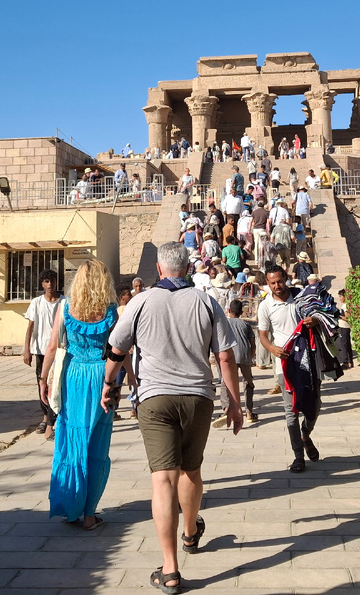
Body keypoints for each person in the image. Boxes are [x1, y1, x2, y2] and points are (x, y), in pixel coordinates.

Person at [104, 242, 242, 594]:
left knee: (163, 479)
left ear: (159, 269)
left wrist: (108, 385)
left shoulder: (141, 301)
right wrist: (235, 403)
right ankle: (191, 533)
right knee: (191, 471)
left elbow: (117, 349)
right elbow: (225, 357)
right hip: (197, 397)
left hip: (155, 399)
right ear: (187, 268)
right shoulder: (206, 302)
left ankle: (170, 569)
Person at [38, 259, 118, 531]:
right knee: (97, 444)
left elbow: (52, 346)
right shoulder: (110, 311)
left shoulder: (66, 307)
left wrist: (43, 379)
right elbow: (119, 348)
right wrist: (131, 381)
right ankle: (89, 514)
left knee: (72, 440)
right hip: (102, 376)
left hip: (72, 375)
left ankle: (71, 508)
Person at [258, 266, 318, 473]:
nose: (277, 286)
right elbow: (263, 336)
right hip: (284, 364)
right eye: (272, 283)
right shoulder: (265, 306)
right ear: (268, 284)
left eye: (279, 281)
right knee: (291, 411)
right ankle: (298, 456)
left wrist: (314, 321)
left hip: (308, 360)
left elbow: (319, 315)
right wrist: (273, 349)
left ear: (286, 278)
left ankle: (305, 434)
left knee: (314, 407)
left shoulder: (301, 297)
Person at [24, 269, 64, 438]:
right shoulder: (36, 302)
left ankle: (56, 418)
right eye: (46, 281)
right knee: (43, 383)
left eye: (52, 281)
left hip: (60, 350)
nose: (50, 284)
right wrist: (26, 349)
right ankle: (46, 417)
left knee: (58, 384)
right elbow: (30, 327)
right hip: (41, 350)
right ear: (42, 284)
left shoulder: (64, 302)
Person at [214, 298, 257, 426]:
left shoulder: (224, 323)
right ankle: (249, 412)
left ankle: (226, 409)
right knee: (248, 383)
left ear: (229, 310)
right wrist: (250, 357)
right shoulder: (246, 325)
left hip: (229, 355)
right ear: (241, 312)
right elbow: (253, 344)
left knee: (225, 383)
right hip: (244, 355)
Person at [335, 288, 354, 369]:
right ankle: (350, 361)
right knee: (347, 344)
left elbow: (347, 318)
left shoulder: (345, 306)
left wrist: (338, 316)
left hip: (344, 327)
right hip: (344, 327)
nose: (339, 298)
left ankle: (345, 362)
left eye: (340, 296)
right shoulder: (345, 305)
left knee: (344, 345)